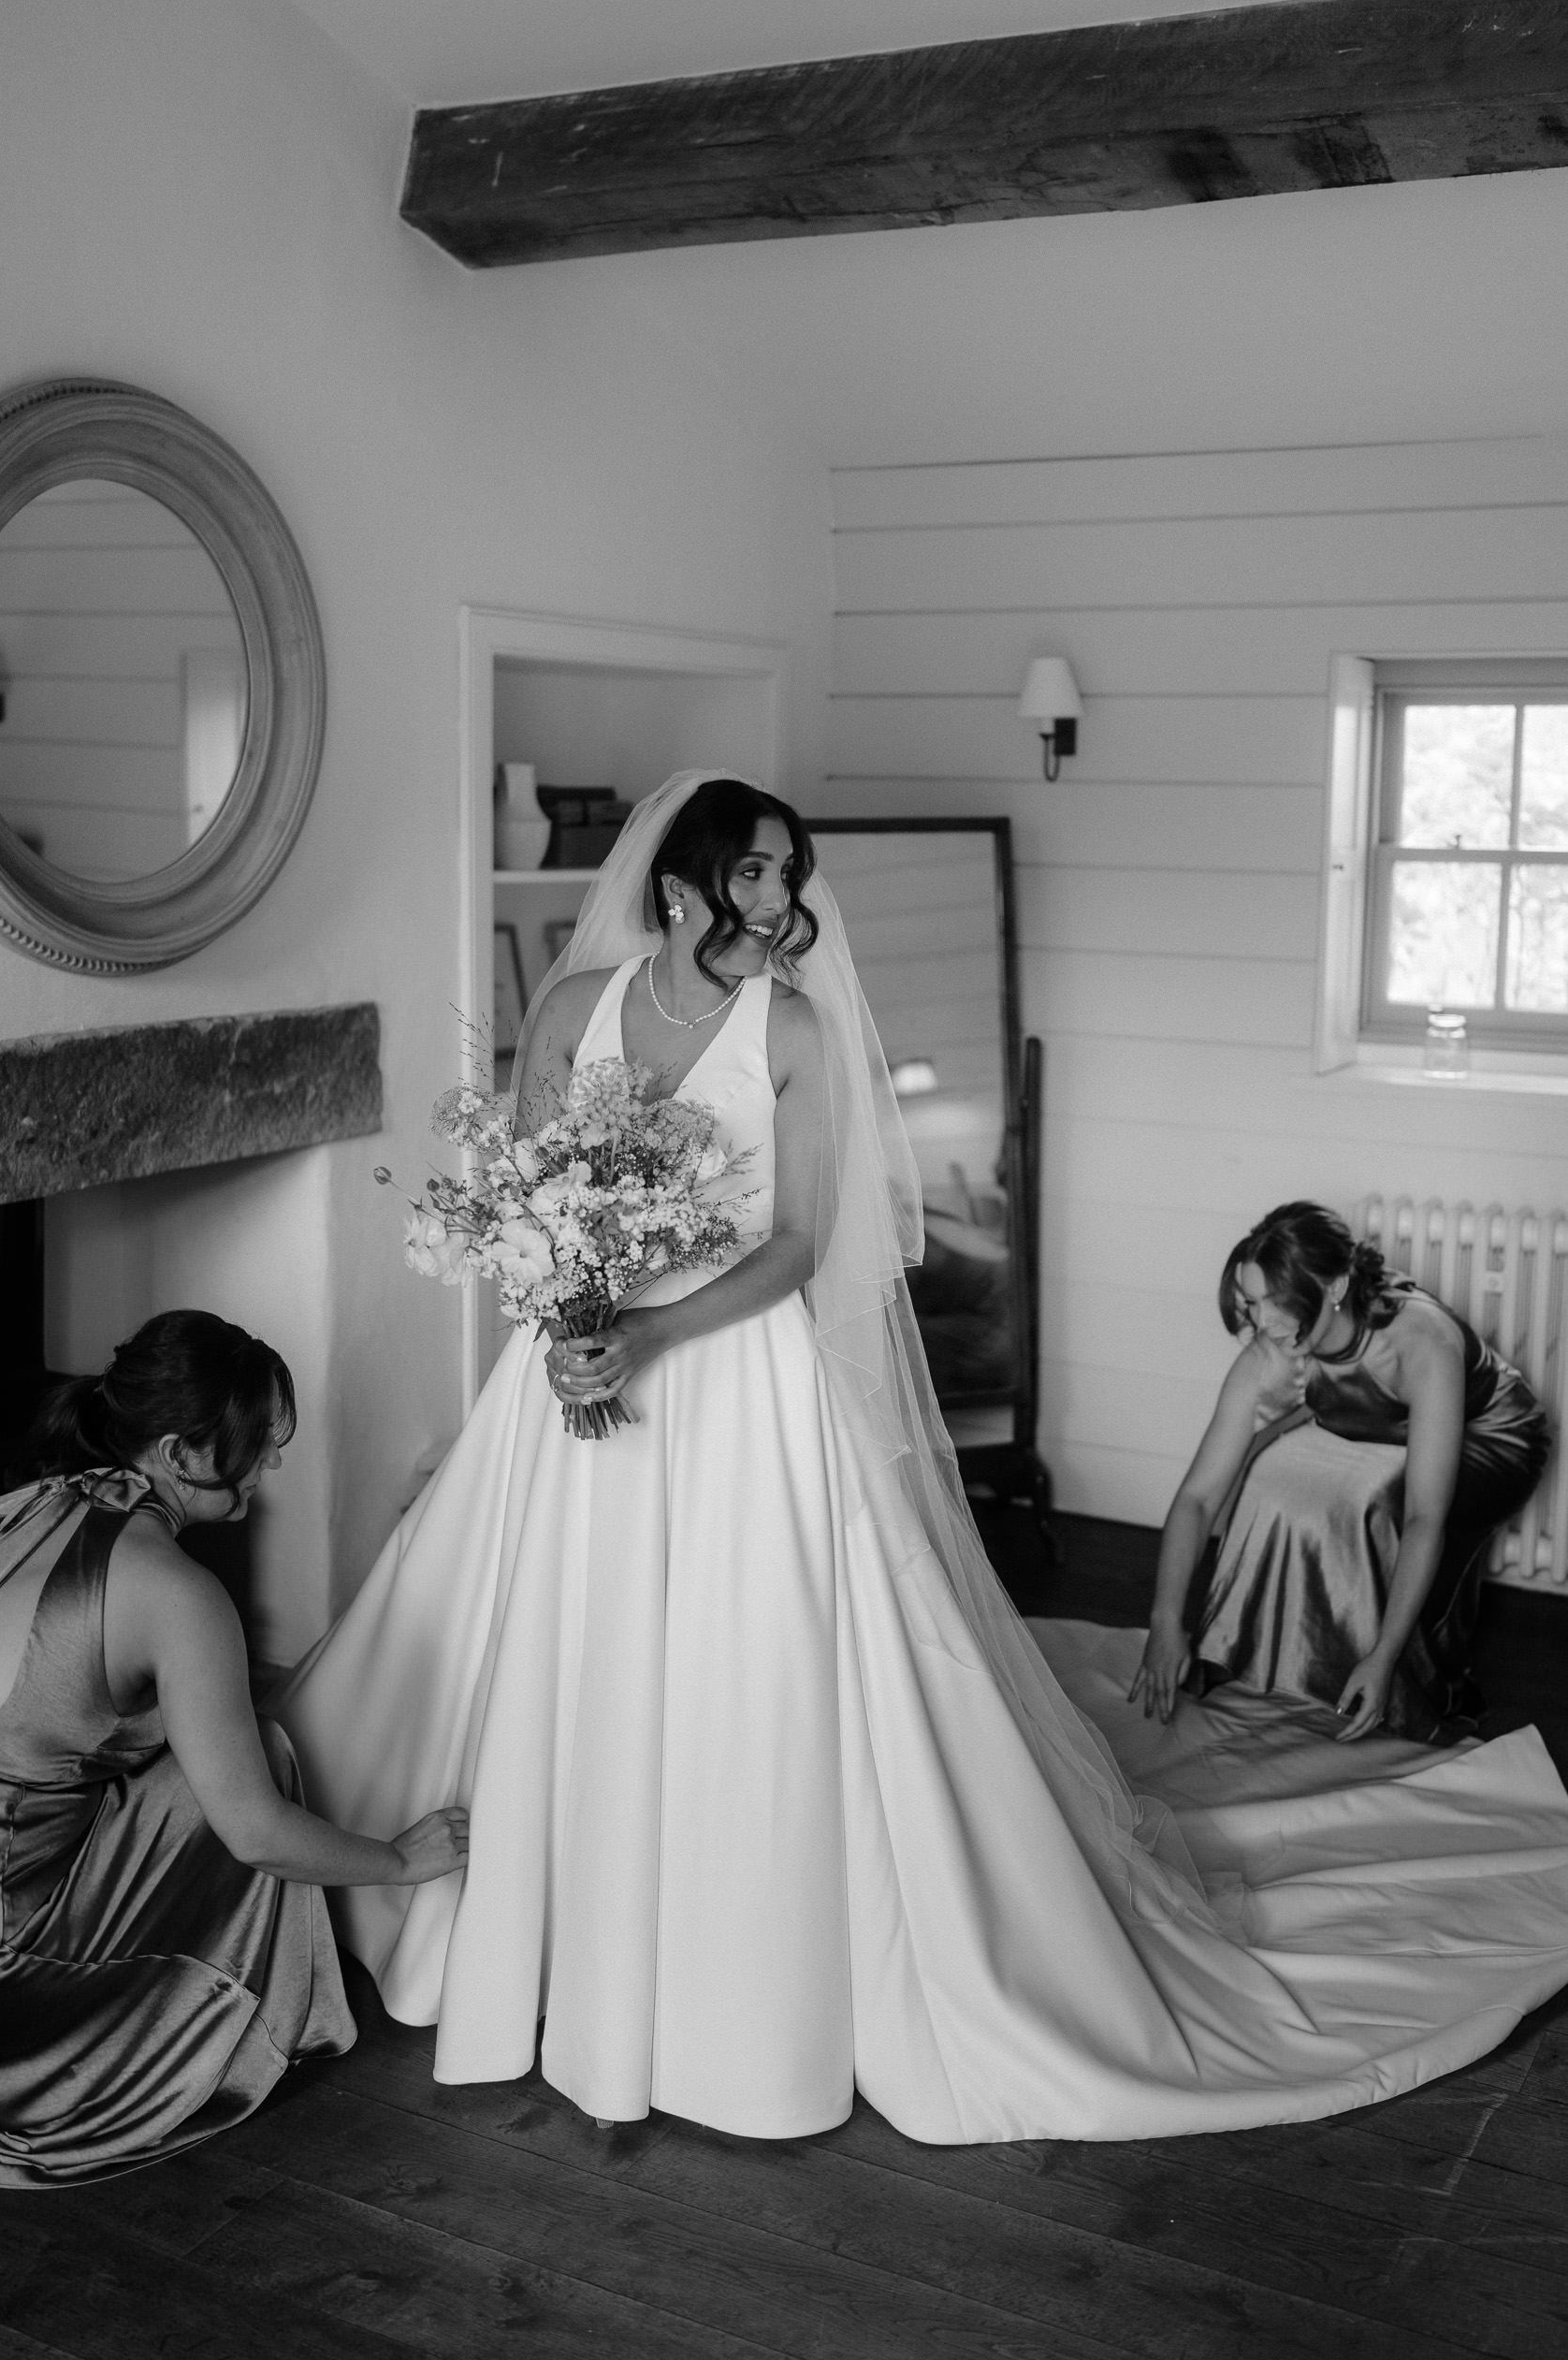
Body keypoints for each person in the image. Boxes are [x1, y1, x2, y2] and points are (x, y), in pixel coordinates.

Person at [278, 776, 1568, 2147]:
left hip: (732, 1377)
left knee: (742, 1663)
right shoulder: (568, 1011)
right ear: (678, 889)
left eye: (789, 873)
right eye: (756, 874)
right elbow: (532, 1203)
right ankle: (527, 1934)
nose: (783, 900)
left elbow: (792, 1244)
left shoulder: (789, 1029)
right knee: (555, 1639)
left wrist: (645, 1334)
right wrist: (568, 1330)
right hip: (576, 1373)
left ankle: (719, 1992)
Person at [0, 1310, 468, 2190]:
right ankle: (196, 2026)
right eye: (259, 1441)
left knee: (208, 1754)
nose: (271, 1462)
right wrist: (398, 1861)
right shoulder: (175, 1591)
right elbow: (255, 1834)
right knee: (257, 1762)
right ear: (177, 1452)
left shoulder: (28, 1508)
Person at [1133, 1202, 1551, 1742]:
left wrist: (1383, 1657)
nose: (1264, 1323)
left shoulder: (1421, 1343)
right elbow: (1198, 1498)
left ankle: (1410, 1684)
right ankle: (1289, 1662)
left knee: (1386, 1500)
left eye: (1279, 1301)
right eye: (1253, 1302)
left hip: (1493, 1437)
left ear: (1335, 1286)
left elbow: (1424, 1518)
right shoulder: (1275, 1344)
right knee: (1270, 1471)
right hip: (1390, 1424)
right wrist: (1166, 1621)